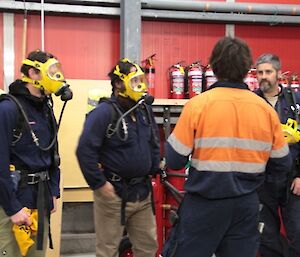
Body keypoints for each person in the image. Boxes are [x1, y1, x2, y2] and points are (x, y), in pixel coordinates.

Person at [161, 37, 292, 257]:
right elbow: (282, 164)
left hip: (204, 204)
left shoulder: (198, 105)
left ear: (214, 67)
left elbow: (173, 160)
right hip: (247, 205)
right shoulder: (265, 110)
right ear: (246, 69)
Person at [76, 58, 160, 257]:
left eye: (141, 79)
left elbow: (154, 141)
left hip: (142, 194)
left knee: (148, 247)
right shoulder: (104, 113)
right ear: (118, 84)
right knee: (108, 250)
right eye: (134, 80)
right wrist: (99, 184)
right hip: (114, 195)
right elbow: (84, 150)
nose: (139, 85)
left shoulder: (144, 110)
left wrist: (154, 167)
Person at [0, 50, 72, 257]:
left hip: (40, 200)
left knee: (37, 254)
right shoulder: (8, 109)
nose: (57, 76)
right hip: (12, 203)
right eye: (51, 71)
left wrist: (52, 192)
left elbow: (52, 154)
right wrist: (13, 208)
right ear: (33, 73)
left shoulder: (45, 108)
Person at [255, 53, 300, 257]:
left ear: (279, 74)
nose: (264, 76)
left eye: (268, 72)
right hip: (261, 181)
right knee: (266, 238)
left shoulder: (295, 101)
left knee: (298, 233)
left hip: (292, 181)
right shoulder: (251, 103)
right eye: (260, 72)